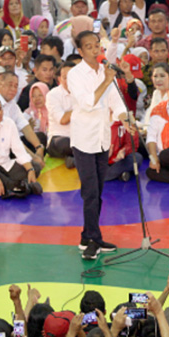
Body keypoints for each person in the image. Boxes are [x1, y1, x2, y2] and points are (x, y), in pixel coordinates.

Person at [67, 30, 127, 260]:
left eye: (97, 45)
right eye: (89, 47)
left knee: (98, 191)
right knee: (90, 192)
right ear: (81, 51)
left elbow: (114, 100)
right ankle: (93, 238)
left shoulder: (105, 71)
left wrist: (124, 118)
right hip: (84, 140)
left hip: (102, 139)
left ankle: (88, 235)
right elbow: (88, 102)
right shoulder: (75, 74)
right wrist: (107, 80)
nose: (95, 50)